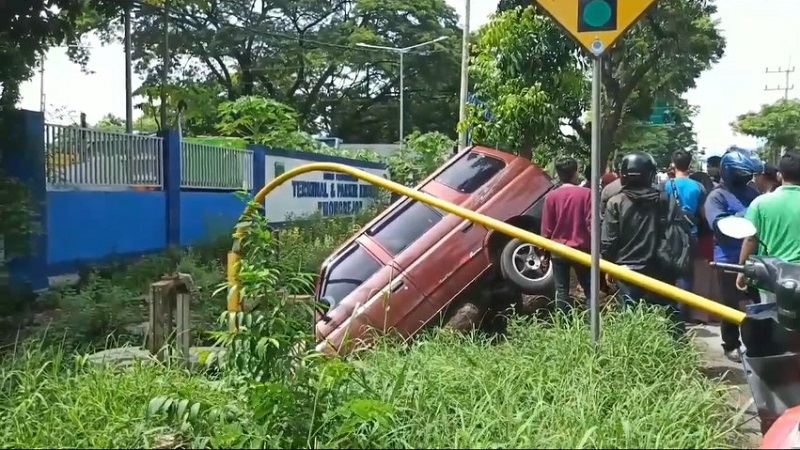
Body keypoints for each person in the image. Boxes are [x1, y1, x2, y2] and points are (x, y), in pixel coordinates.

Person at [601, 151, 685, 336]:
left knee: (630, 321)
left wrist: (609, 266)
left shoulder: (615, 202)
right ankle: (678, 353)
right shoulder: (665, 199)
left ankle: (633, 357)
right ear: (650, 174)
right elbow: (677, 231)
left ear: (623, 175)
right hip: (661, 269)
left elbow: (608, 241)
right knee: (671, 317)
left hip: (627, 272)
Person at [704, 148, 762, 362]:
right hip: (728, 259)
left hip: (754, 259)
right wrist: (746, 218)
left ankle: (756, 343)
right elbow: (718, 224)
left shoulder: (752, 193)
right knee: (730, 305)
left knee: (756, 304)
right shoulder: (716, 196)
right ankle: (731, 344)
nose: (747, 178)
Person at [738, 151, 800, 303]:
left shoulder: (761, 203)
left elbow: (751, 239)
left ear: (779, 175)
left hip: (772, 276)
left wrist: (742, 270)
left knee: (772, 319)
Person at [541, 158, 592, 312]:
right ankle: (592, 323)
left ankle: (562, 325)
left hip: (558, 250)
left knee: (561, 290)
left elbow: (546, 228)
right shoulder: (587, 194)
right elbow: (592, 224)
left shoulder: (551, 197)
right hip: (582, 250)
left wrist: (544, 254)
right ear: (575, 172)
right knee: (589, 289)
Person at [663, 151, 706, 293]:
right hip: (690, 233)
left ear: (673, 165)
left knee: (667, 271)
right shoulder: (698, 187)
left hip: (668, 233)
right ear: (689, 165)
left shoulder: (665, 186)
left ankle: (670, 309)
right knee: (686, 273)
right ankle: (683, 309)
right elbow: (703, 213)